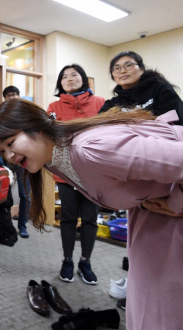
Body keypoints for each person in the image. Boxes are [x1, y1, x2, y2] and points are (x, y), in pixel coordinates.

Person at [0, 99, 183, 330]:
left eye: (10, 143)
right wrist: (147, 204)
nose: (9, 156)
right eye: (2, 151)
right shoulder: (56, 159)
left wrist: (176, 203)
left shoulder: (94, 148)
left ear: (35, 127)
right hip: (165, 214)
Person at [46, 64, 105, 285]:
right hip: (66, 172)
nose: (69, 79)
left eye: (74, 75)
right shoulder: (53, 106)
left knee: (90, 219)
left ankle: (85, 262)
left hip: (95, 172)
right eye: (64, 76)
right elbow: (48, 133)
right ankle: (67, 260)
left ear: (84, 79)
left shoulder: (100, 103)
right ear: (60, 83)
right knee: (68, 218)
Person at [99, 51, 183, 126]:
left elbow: (180, 120)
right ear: (113, 76)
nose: (123, 71)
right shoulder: (111, 104)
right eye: (117, 68)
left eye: (128, 65)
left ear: (142, 69)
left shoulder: (160, 90)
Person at [3, 86, 29, 237]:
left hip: (23, 157)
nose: (12, 97)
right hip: (5, 156)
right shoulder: (0, 115)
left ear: (19, 96)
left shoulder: (25, 114)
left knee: (25, 194)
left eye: (15, 95)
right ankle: (5, 225)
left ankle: (23, 225)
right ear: (4, 98)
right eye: (9, 95)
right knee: (4, 193)